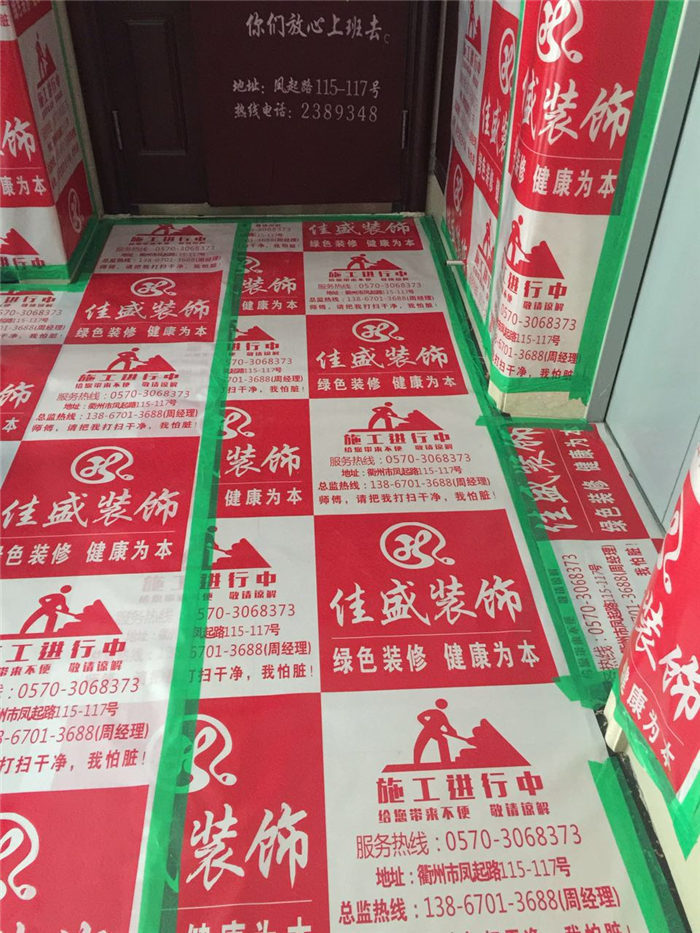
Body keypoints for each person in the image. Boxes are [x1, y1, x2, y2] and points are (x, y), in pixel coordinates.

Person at [413, 698, 459, 764]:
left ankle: (446, 761)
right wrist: (427, 724)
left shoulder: (443, 716)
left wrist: (453, 732)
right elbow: (420, 716)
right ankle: (416, 763)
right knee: (419, 745)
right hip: (427, 730)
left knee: (443, 740)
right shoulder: (435, 712)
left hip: (435, 732)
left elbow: (449, 727)